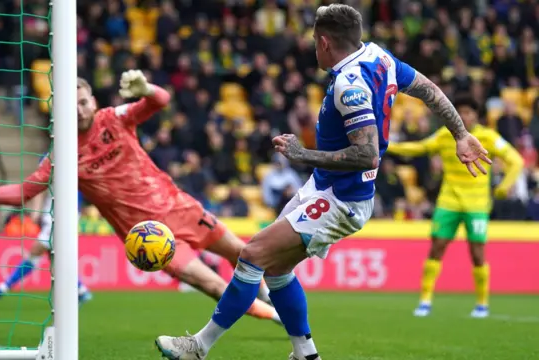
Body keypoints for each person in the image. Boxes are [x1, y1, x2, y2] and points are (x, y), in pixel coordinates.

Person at [154, 5, 490, 360]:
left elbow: (368, 154)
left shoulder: (349, 85)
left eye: (315, 41)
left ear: (325, 43)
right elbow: (429, 90)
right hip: (326, 187)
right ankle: (305, 354)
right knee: (276, 268)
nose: (314, 48)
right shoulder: (380, 57)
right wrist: (461, 133)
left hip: (341, 198)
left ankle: (199, 347)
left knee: (252, 255)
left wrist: (303, 154)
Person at [0, 70, 280, 324]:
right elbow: (24, 192)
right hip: (148, 237)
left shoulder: (114, 117)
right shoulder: (61, 154)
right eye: (70, 106)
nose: (79, 109)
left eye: (83, 101)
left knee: (243, 254)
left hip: (179, 206)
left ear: (93, 100)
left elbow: (160, 101)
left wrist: (146, 88)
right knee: (215, 287)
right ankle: (277, 318)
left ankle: (271, 299)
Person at [387, 95, 523, 318]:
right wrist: (388, 146)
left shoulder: (488, 137)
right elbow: (419, 147)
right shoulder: (444, 136)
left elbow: (516, 160)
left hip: (477, 203)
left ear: (476, 115)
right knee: (437, 247)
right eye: (459, 112)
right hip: (448, 201)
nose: (464, 116)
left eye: (468, 112)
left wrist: (504, 186)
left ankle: (482, 304)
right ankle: (425, 300)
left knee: (477, 253)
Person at [0, 162, 93, 305]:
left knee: (37, 251)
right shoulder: (73, 158)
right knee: (55, 260)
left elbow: (39, 187)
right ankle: (81, 290)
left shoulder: (63, 158)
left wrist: (36, 211)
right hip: (58, 214)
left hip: (60, 217)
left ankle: (0, 290)